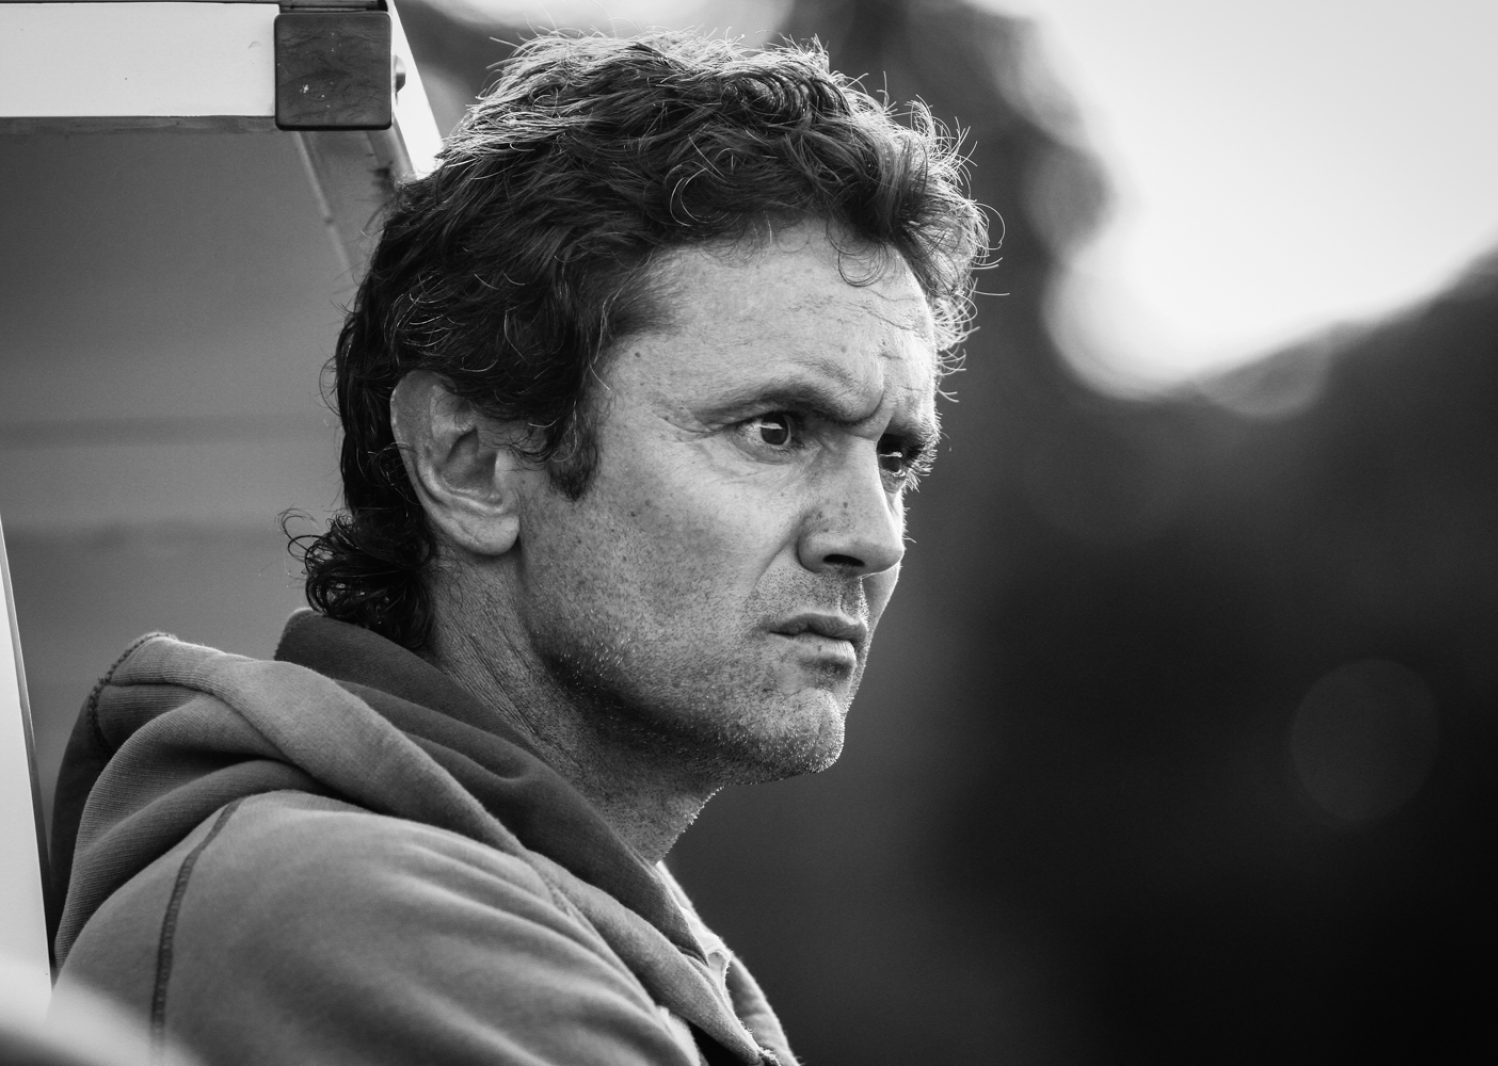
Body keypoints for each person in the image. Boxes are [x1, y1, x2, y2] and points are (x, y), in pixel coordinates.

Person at [46, 29, 985, 1066]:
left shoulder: (580, 926)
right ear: (472, 464)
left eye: (895, 457)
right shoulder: (345, 912)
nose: (869, 536)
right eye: (775, 430)